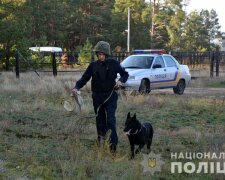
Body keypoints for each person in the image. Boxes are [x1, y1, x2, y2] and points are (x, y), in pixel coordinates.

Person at [72, 41, 129, 153]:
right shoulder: (93, 66)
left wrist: (120, 81)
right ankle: (101, 142)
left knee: (111, 120)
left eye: (103, 54)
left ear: (107, 54)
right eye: (99, 54)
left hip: (111, 96)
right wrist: (76, 87)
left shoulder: (114, 63)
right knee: (100, 120)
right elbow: (84, 79)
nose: (100, 56)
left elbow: (125, 74)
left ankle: (113, 146)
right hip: (97, 97)